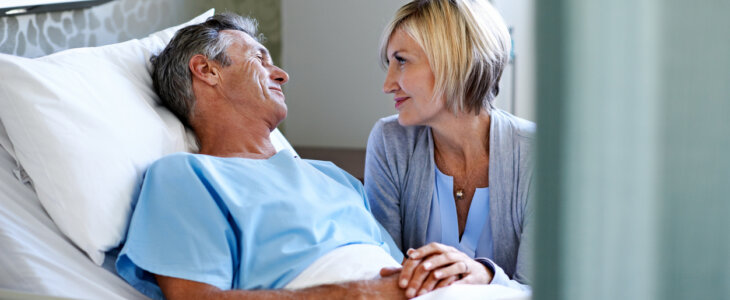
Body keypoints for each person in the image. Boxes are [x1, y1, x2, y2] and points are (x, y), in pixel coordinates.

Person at [115, 13, 409, 300]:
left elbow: (401, 269)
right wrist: (356, 293)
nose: (282, 74)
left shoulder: (333, 176)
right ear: (206, 70)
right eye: (260, 59)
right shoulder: (186, 177)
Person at [365, 0, 534, 298]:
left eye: (401, 60)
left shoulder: (535, 155)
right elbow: (383, 272)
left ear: (455, 60)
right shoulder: (390, 142)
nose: (388, 84)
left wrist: (484, 275)